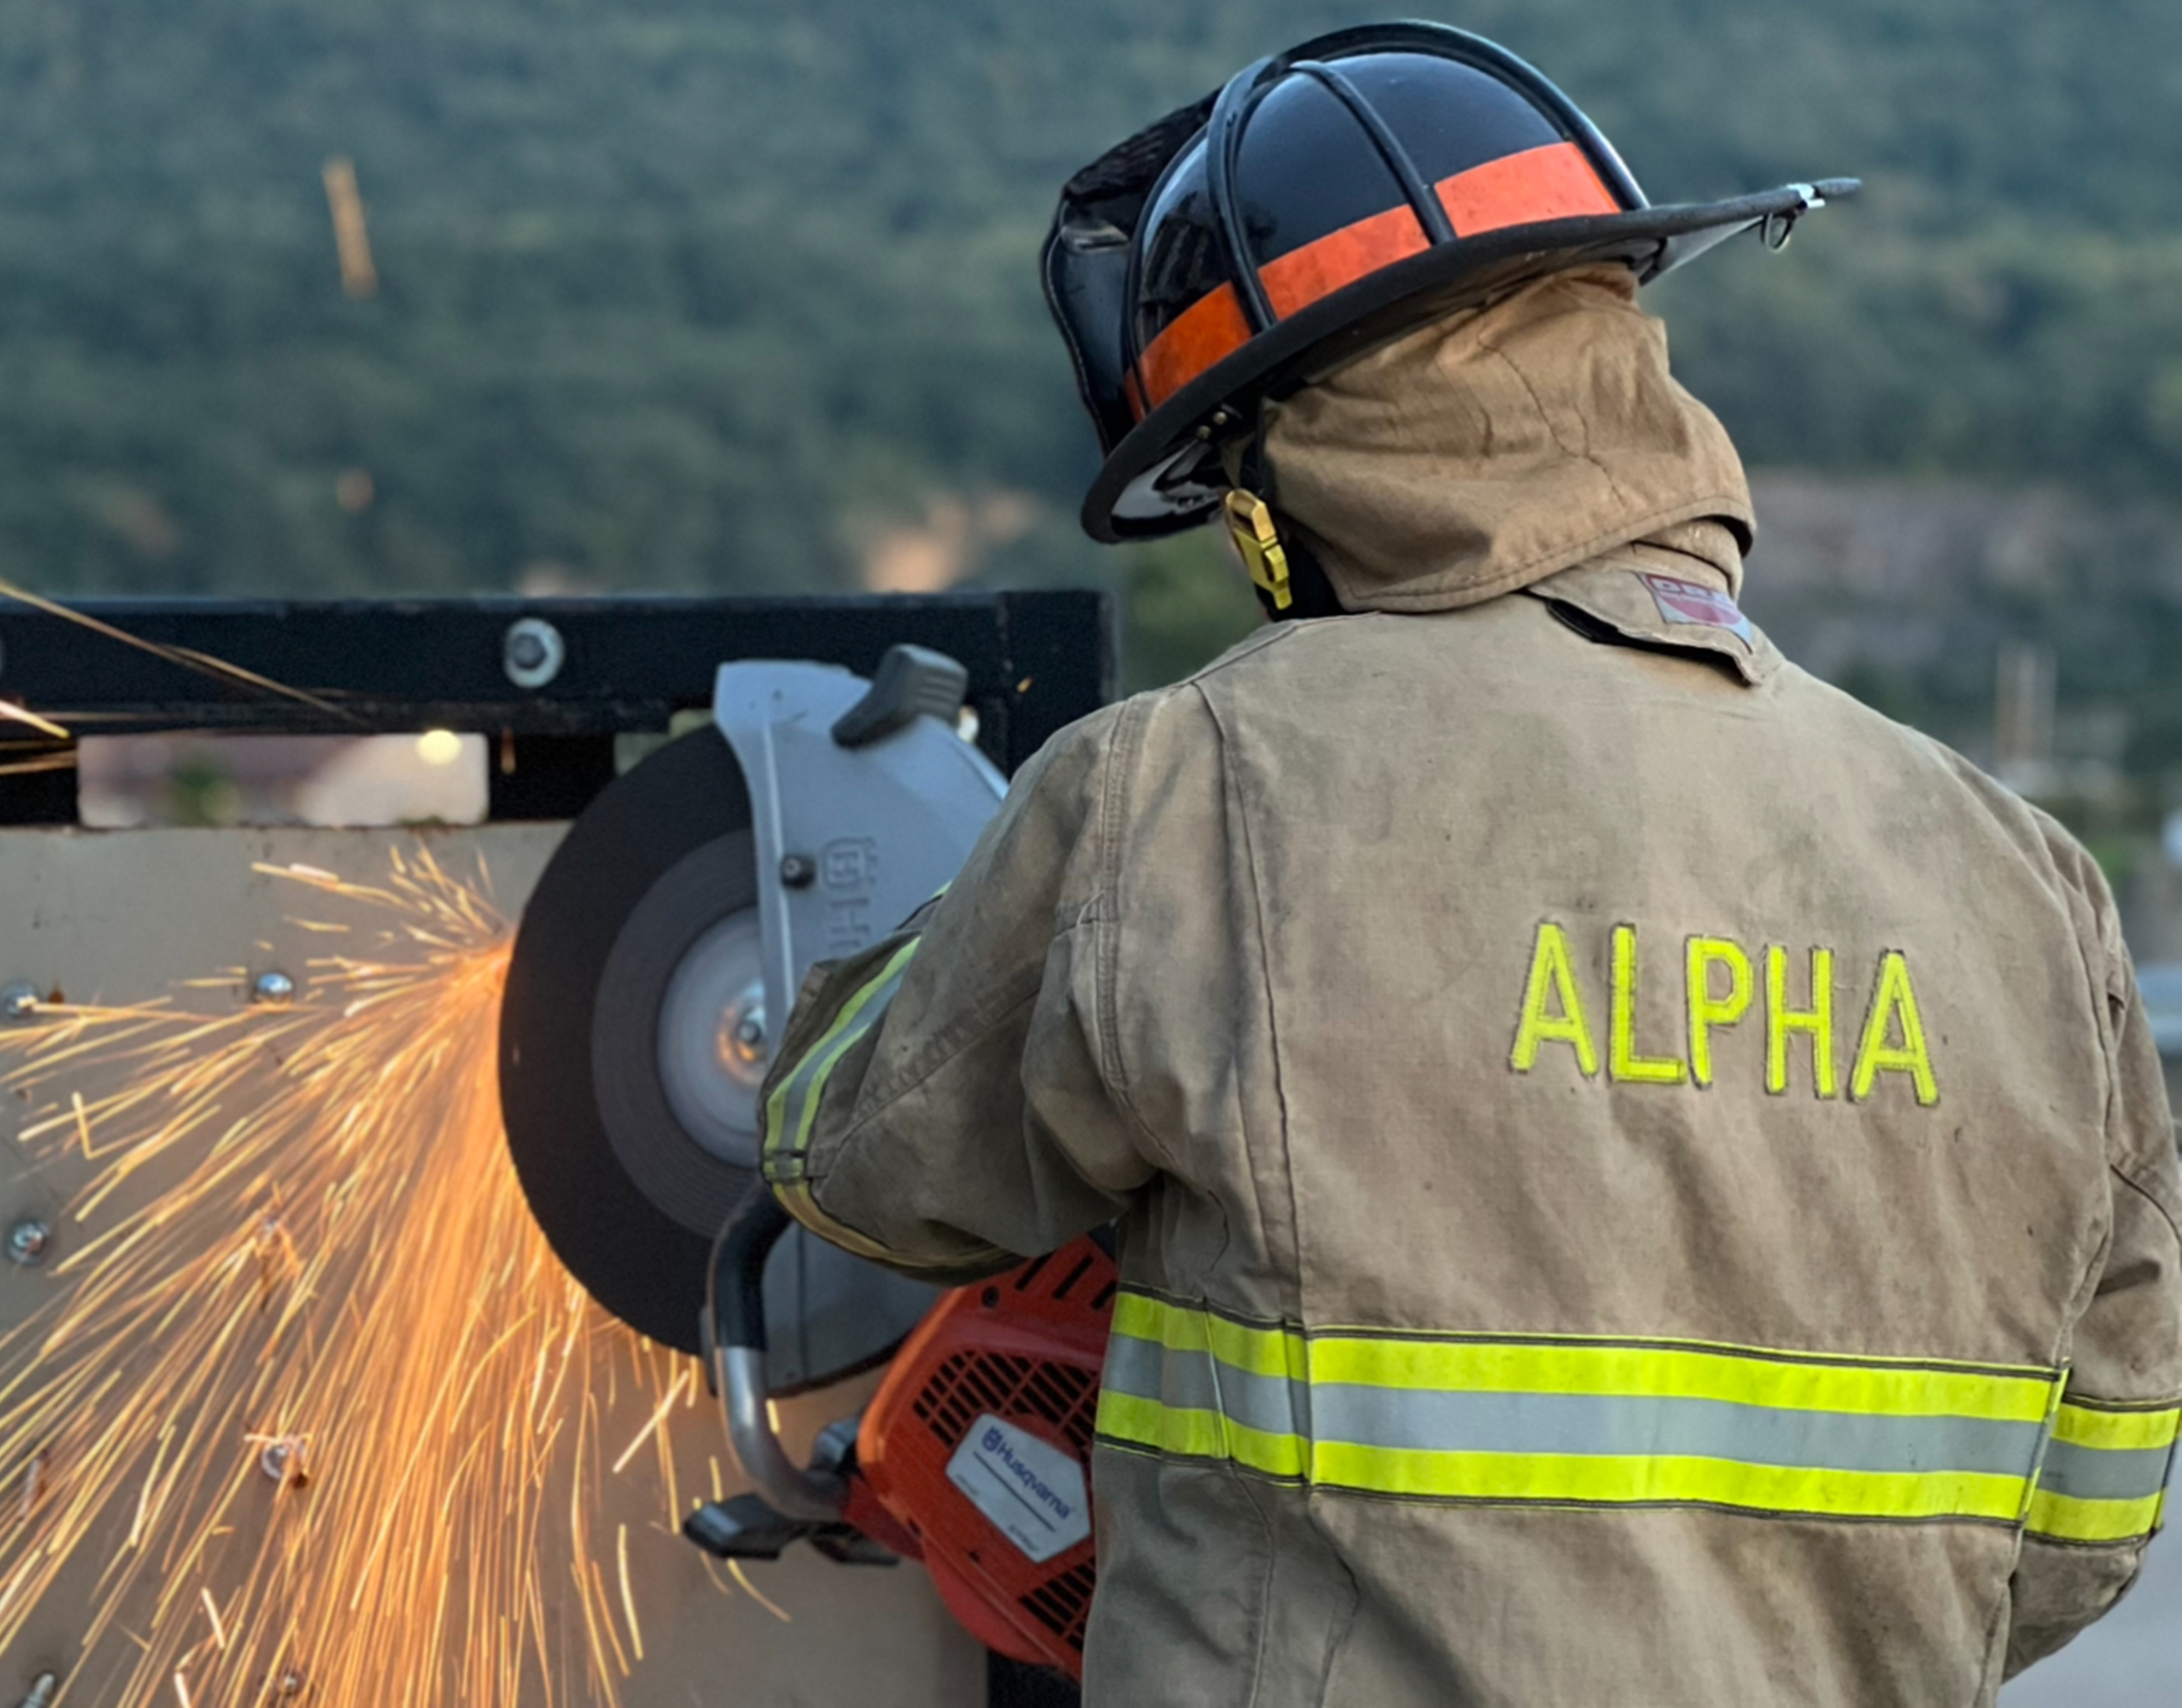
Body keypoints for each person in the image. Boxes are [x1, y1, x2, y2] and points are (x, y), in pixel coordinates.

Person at [760, 24, 2181, 1705]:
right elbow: (2089, 1516)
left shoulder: (1195, 786)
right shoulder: (2025, 885)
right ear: (1620, 343)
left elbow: (854, 1153)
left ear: (1277, 470)